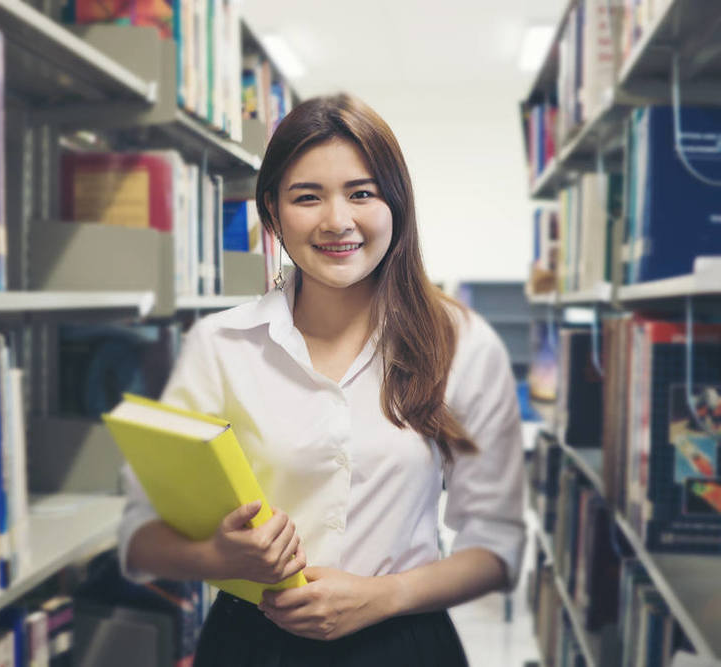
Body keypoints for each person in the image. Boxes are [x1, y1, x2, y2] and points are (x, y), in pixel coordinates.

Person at [117, 93, 525, 666]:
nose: (338, 221)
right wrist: (219, 557)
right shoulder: (221, 345)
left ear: (397, 204)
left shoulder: (462, 342)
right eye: (307, 197)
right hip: (251, 643)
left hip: (403, 640)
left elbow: (497, 545)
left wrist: (381, 596)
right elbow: (140, 532)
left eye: (362, 193)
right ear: (273, 212)